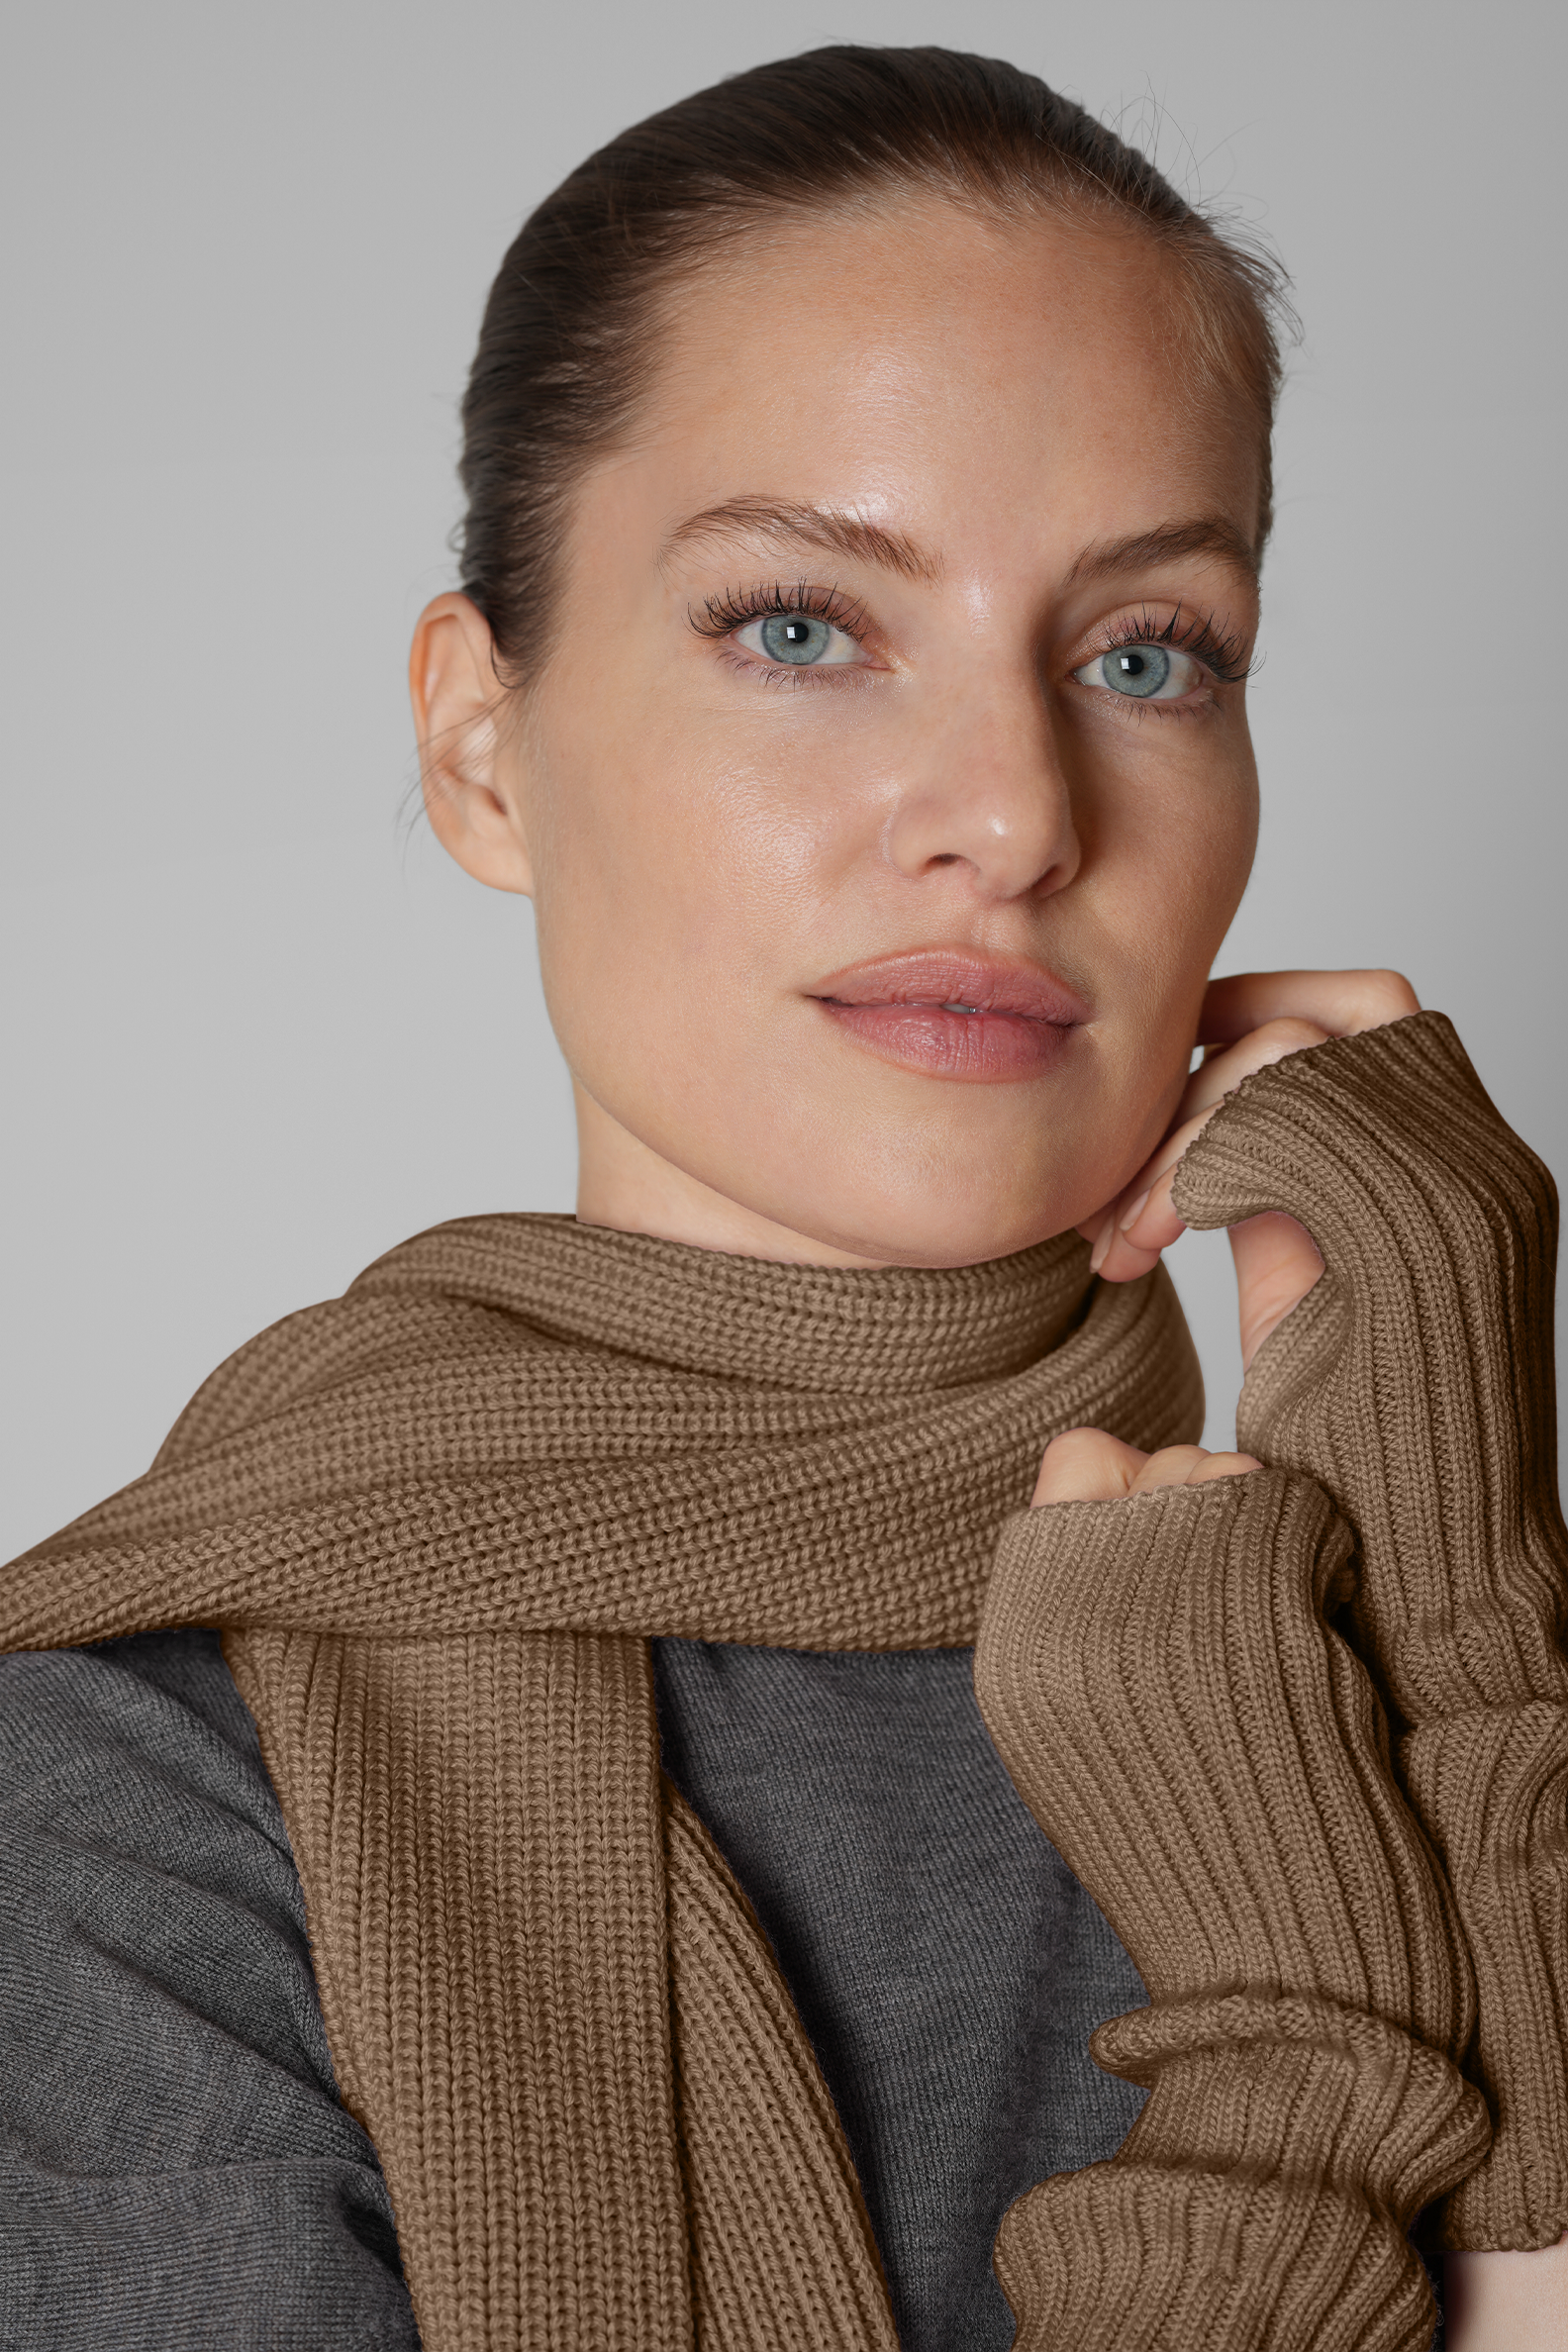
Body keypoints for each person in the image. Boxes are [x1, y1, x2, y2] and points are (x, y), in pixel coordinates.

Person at [2, 44, 1564, 2352]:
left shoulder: (1459, 1681)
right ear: (482, 745)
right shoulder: (124, 1806)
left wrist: (1464, 1622)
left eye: (1145, 654)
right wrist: (1293, 2048)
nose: (1014, 814)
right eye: (804, 628)